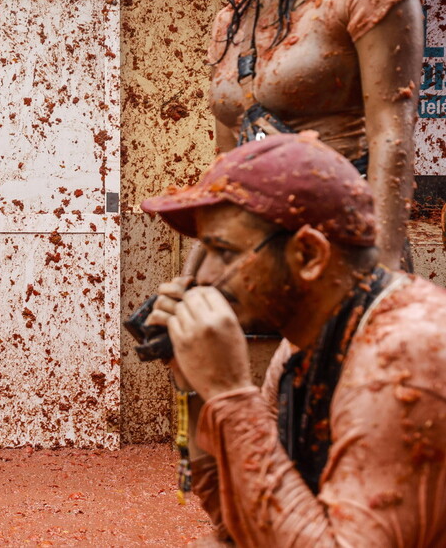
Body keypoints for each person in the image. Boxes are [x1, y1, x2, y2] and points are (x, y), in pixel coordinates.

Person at [142, 132, 446, 546]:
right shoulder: (301, 346)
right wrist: (195, 386)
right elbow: (239, 523)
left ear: (307, 255)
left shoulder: (402, 353)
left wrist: (231, 392)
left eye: (225, 252)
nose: (203, 279)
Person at [206, 0, 423, 270]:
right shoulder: (230, 21)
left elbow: (391, 136)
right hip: (258, 267)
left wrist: (381, 277)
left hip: (345, 256)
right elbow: (228, 175)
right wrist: (204, 270)